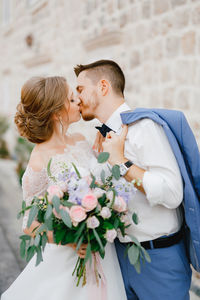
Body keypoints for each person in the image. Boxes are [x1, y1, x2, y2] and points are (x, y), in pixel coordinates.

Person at [74, 60, 192, 300]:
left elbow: (172, 193)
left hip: (158, 260)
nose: (77, 98)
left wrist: (122, 163)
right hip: (116, 259)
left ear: (103, 86)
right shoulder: (100, 138)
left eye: (80, 89)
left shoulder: (144, 128)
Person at [1, 76, 127, 300]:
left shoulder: (80, 139)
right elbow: (28, 224)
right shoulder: (39, 160)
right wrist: (68, 239)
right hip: (68, 258)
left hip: (101, 251)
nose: (79, 100)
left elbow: (97, 181)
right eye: (71, 99)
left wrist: (105, 156)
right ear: (56, 112)